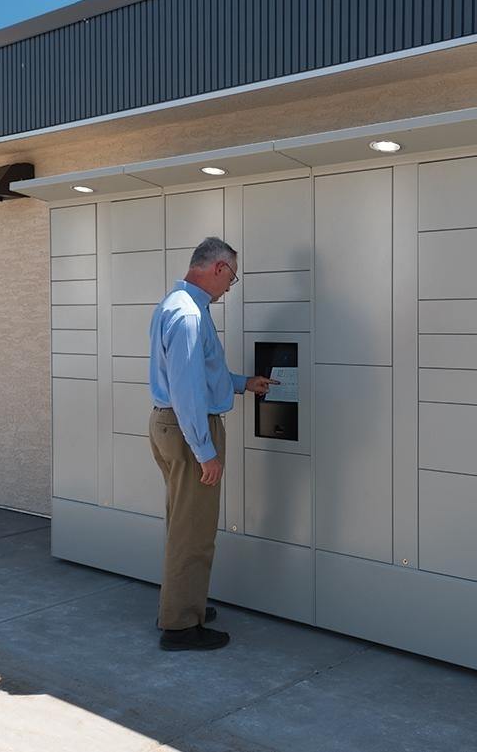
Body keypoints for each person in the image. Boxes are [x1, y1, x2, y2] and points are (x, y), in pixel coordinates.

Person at [147, 236, 275, 651]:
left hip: (170, 425)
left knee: (182, 524)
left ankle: (183, 602)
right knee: (194, 531)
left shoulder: (176, 305)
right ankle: (181, 626)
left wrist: (241, 384)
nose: (229, 288)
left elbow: (200, 375)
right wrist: (206, 452)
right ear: (218, 268)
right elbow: (186, 391)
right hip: (189, 429)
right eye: (232, 279)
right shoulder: (188, 316)